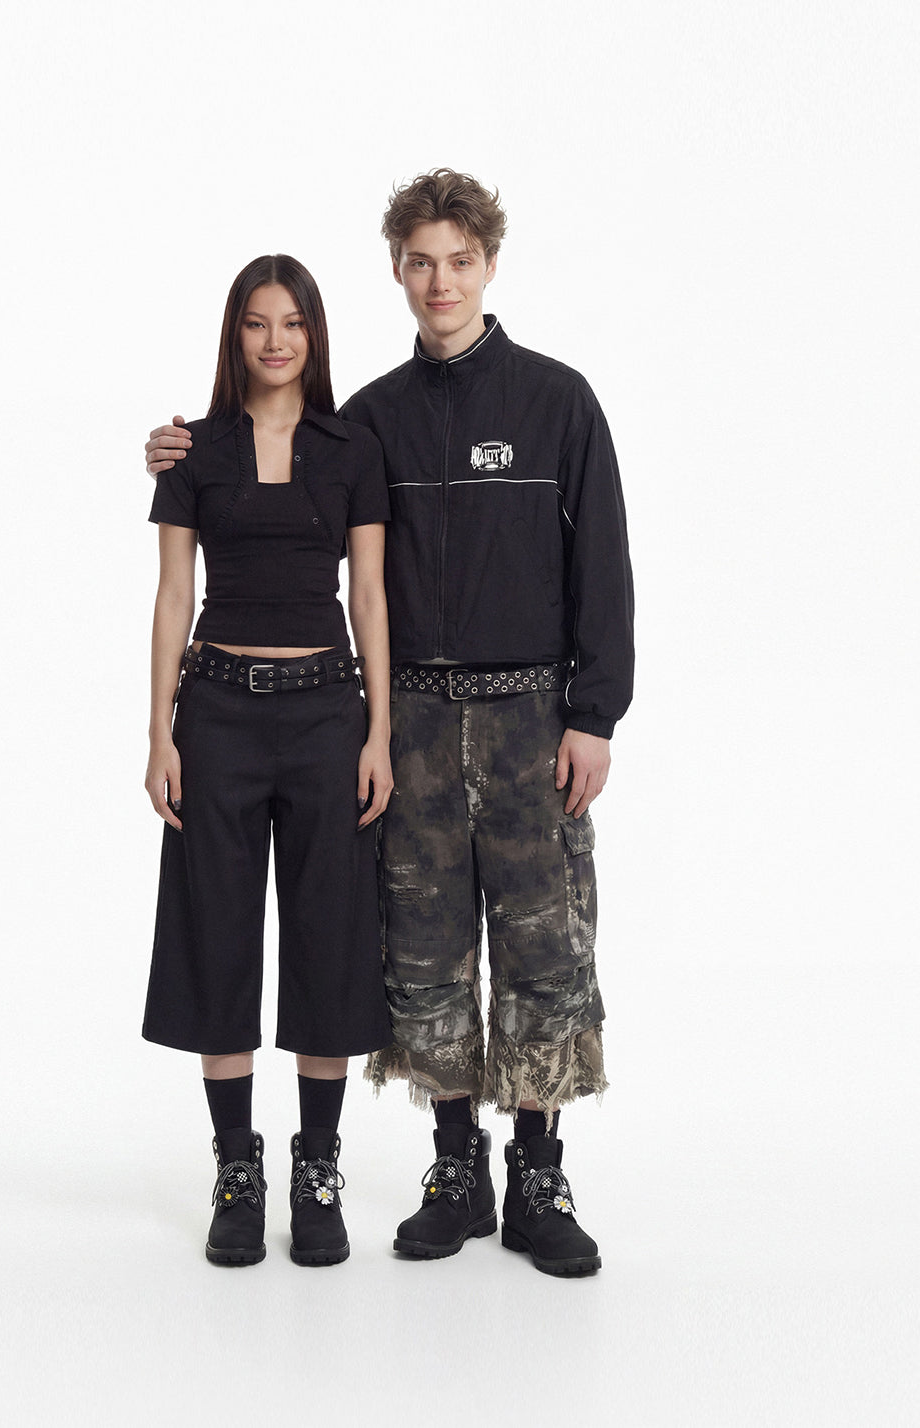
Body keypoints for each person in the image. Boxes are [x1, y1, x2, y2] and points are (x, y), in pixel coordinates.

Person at [146, 170, 634, 1277]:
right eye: (420, 262)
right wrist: (177, 453)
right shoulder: (367, 423)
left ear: (490, 265)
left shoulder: (558, 402)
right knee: (422, 947)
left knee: (543, 946)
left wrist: (593, 712)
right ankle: (455, 1167)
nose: (440, 281)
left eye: (459, 261)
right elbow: (275, 486)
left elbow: (602, 562)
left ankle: (539, 1173)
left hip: (530, 720)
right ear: (397, 272)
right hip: (405, 716)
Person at [143, 254, 393, 1269]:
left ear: (314, 334)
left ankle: (317, 1167)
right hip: (216, 712)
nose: (276, 340)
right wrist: (158, 731)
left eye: (293, 323)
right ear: (234, 334)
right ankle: (236, 1168)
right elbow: (173, 594)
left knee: (329, 930)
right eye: (257, 322)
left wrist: (379, 731)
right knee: (218, 927)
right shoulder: (193, 450)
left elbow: (369, 594)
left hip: (329, 713)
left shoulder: (352, 447)